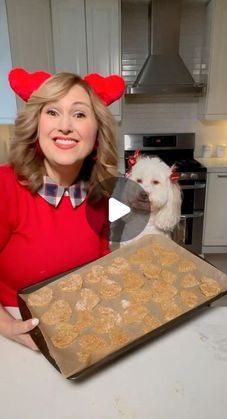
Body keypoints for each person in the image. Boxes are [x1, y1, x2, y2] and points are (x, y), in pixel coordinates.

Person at [0, 68, 125, 350]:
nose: (65, 126)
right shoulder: (4, 186)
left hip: (79, 328)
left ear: (97, 132)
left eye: (79, 114)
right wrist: (5, 325)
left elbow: (100, 267)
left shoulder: (100, 196)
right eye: (53, 112)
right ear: (36, 124)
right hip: (14, 334)